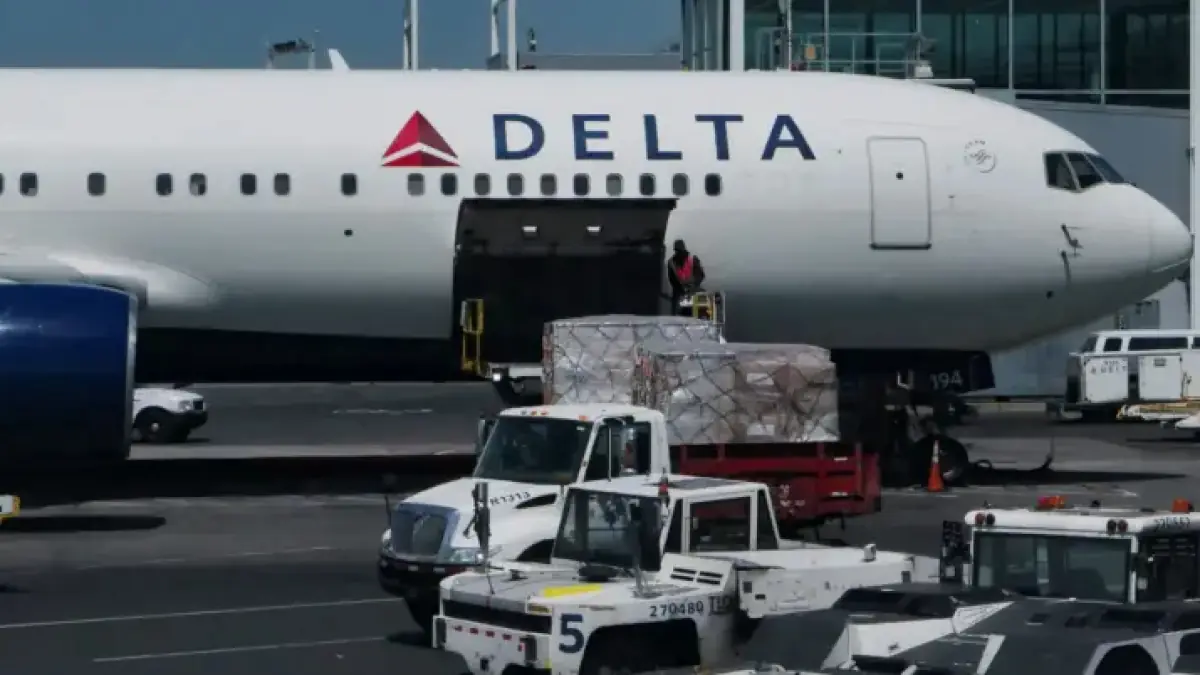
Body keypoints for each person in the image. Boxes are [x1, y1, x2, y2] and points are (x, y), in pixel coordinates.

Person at [666, 239, 706, 317]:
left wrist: (693, 285)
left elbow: (701, 275)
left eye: (679, 250)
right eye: (677, 251)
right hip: (680, 293)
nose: (678, 253)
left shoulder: (692, 259)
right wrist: (682, 289)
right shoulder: (671, 262)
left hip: (691, 291)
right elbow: (672, 279)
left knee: (693, 313)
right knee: (680, 314)